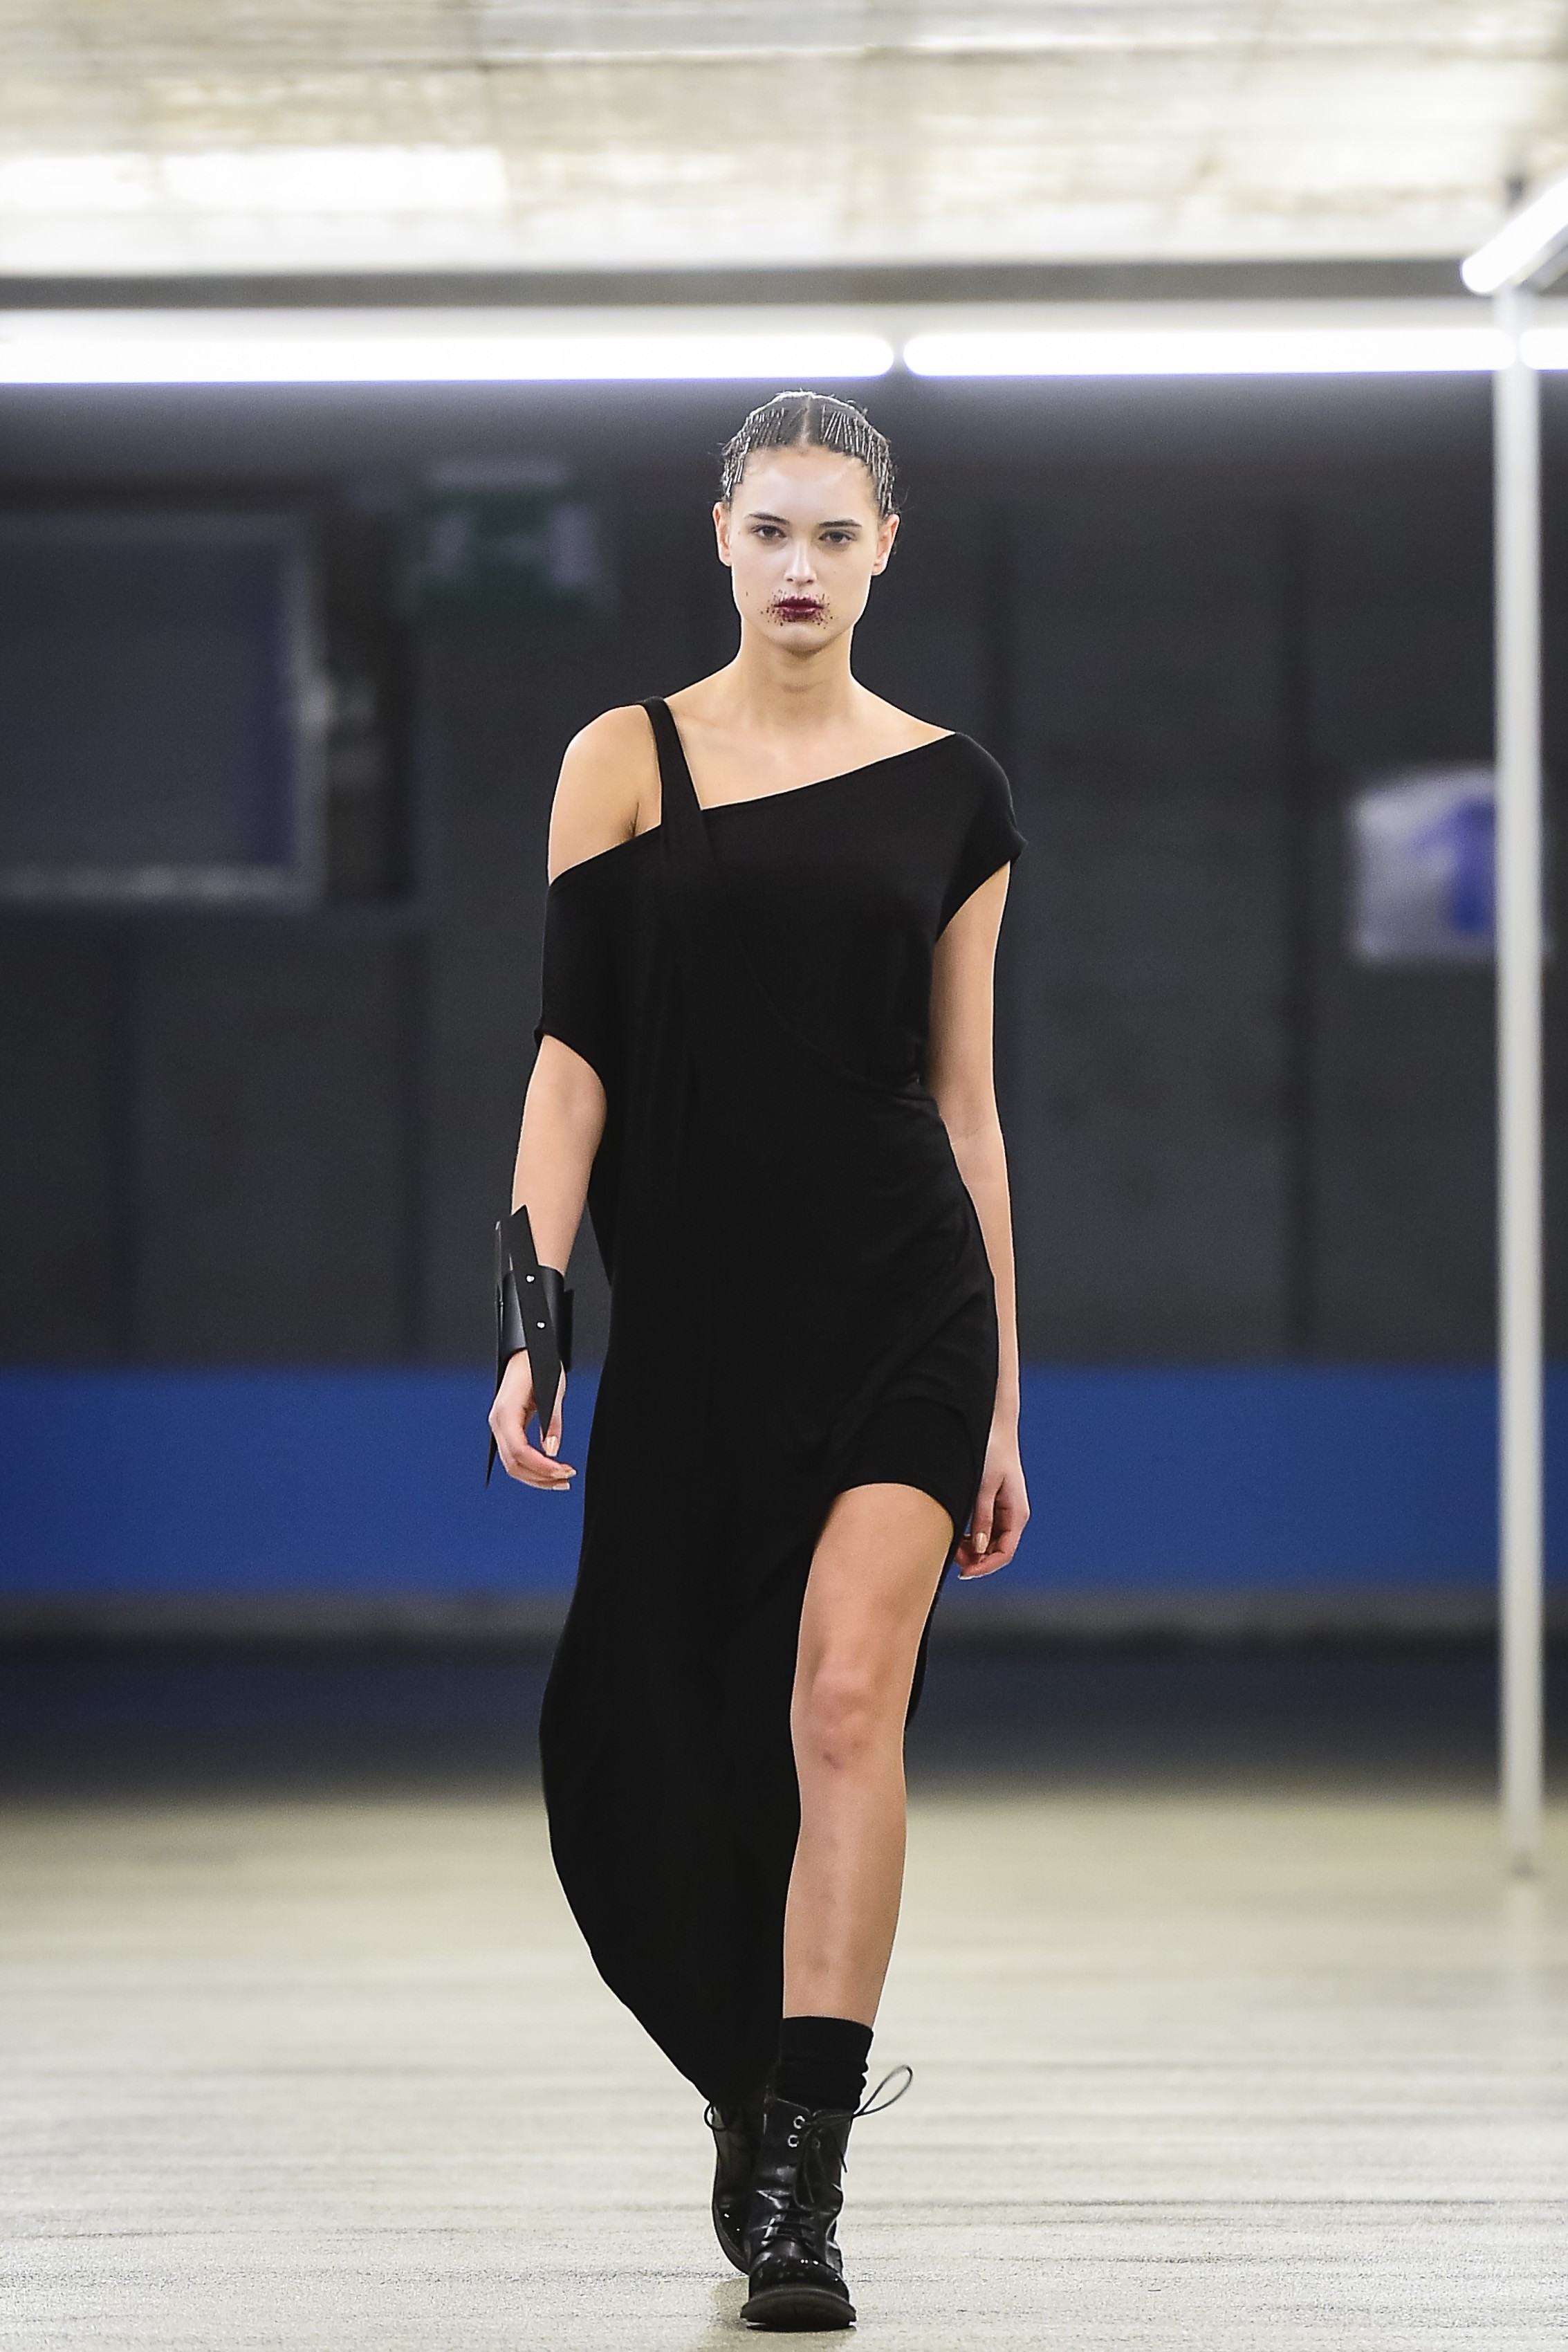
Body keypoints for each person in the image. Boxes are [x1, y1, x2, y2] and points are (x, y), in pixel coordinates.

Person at [488, 389, 1029, 2331]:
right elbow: (572, 1063)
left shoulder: (952, 791)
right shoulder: (622, 760)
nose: (802, 565)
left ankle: (801, 2182)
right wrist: (534, 1323)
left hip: (904, 1301)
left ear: (886, 549)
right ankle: (745, 2070)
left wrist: (1002, 1397)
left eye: (835, 533)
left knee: (843, 1703)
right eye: (771, 530)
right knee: (664, 1733)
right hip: (702, 1324)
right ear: (719, 540)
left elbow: (965, 1110)